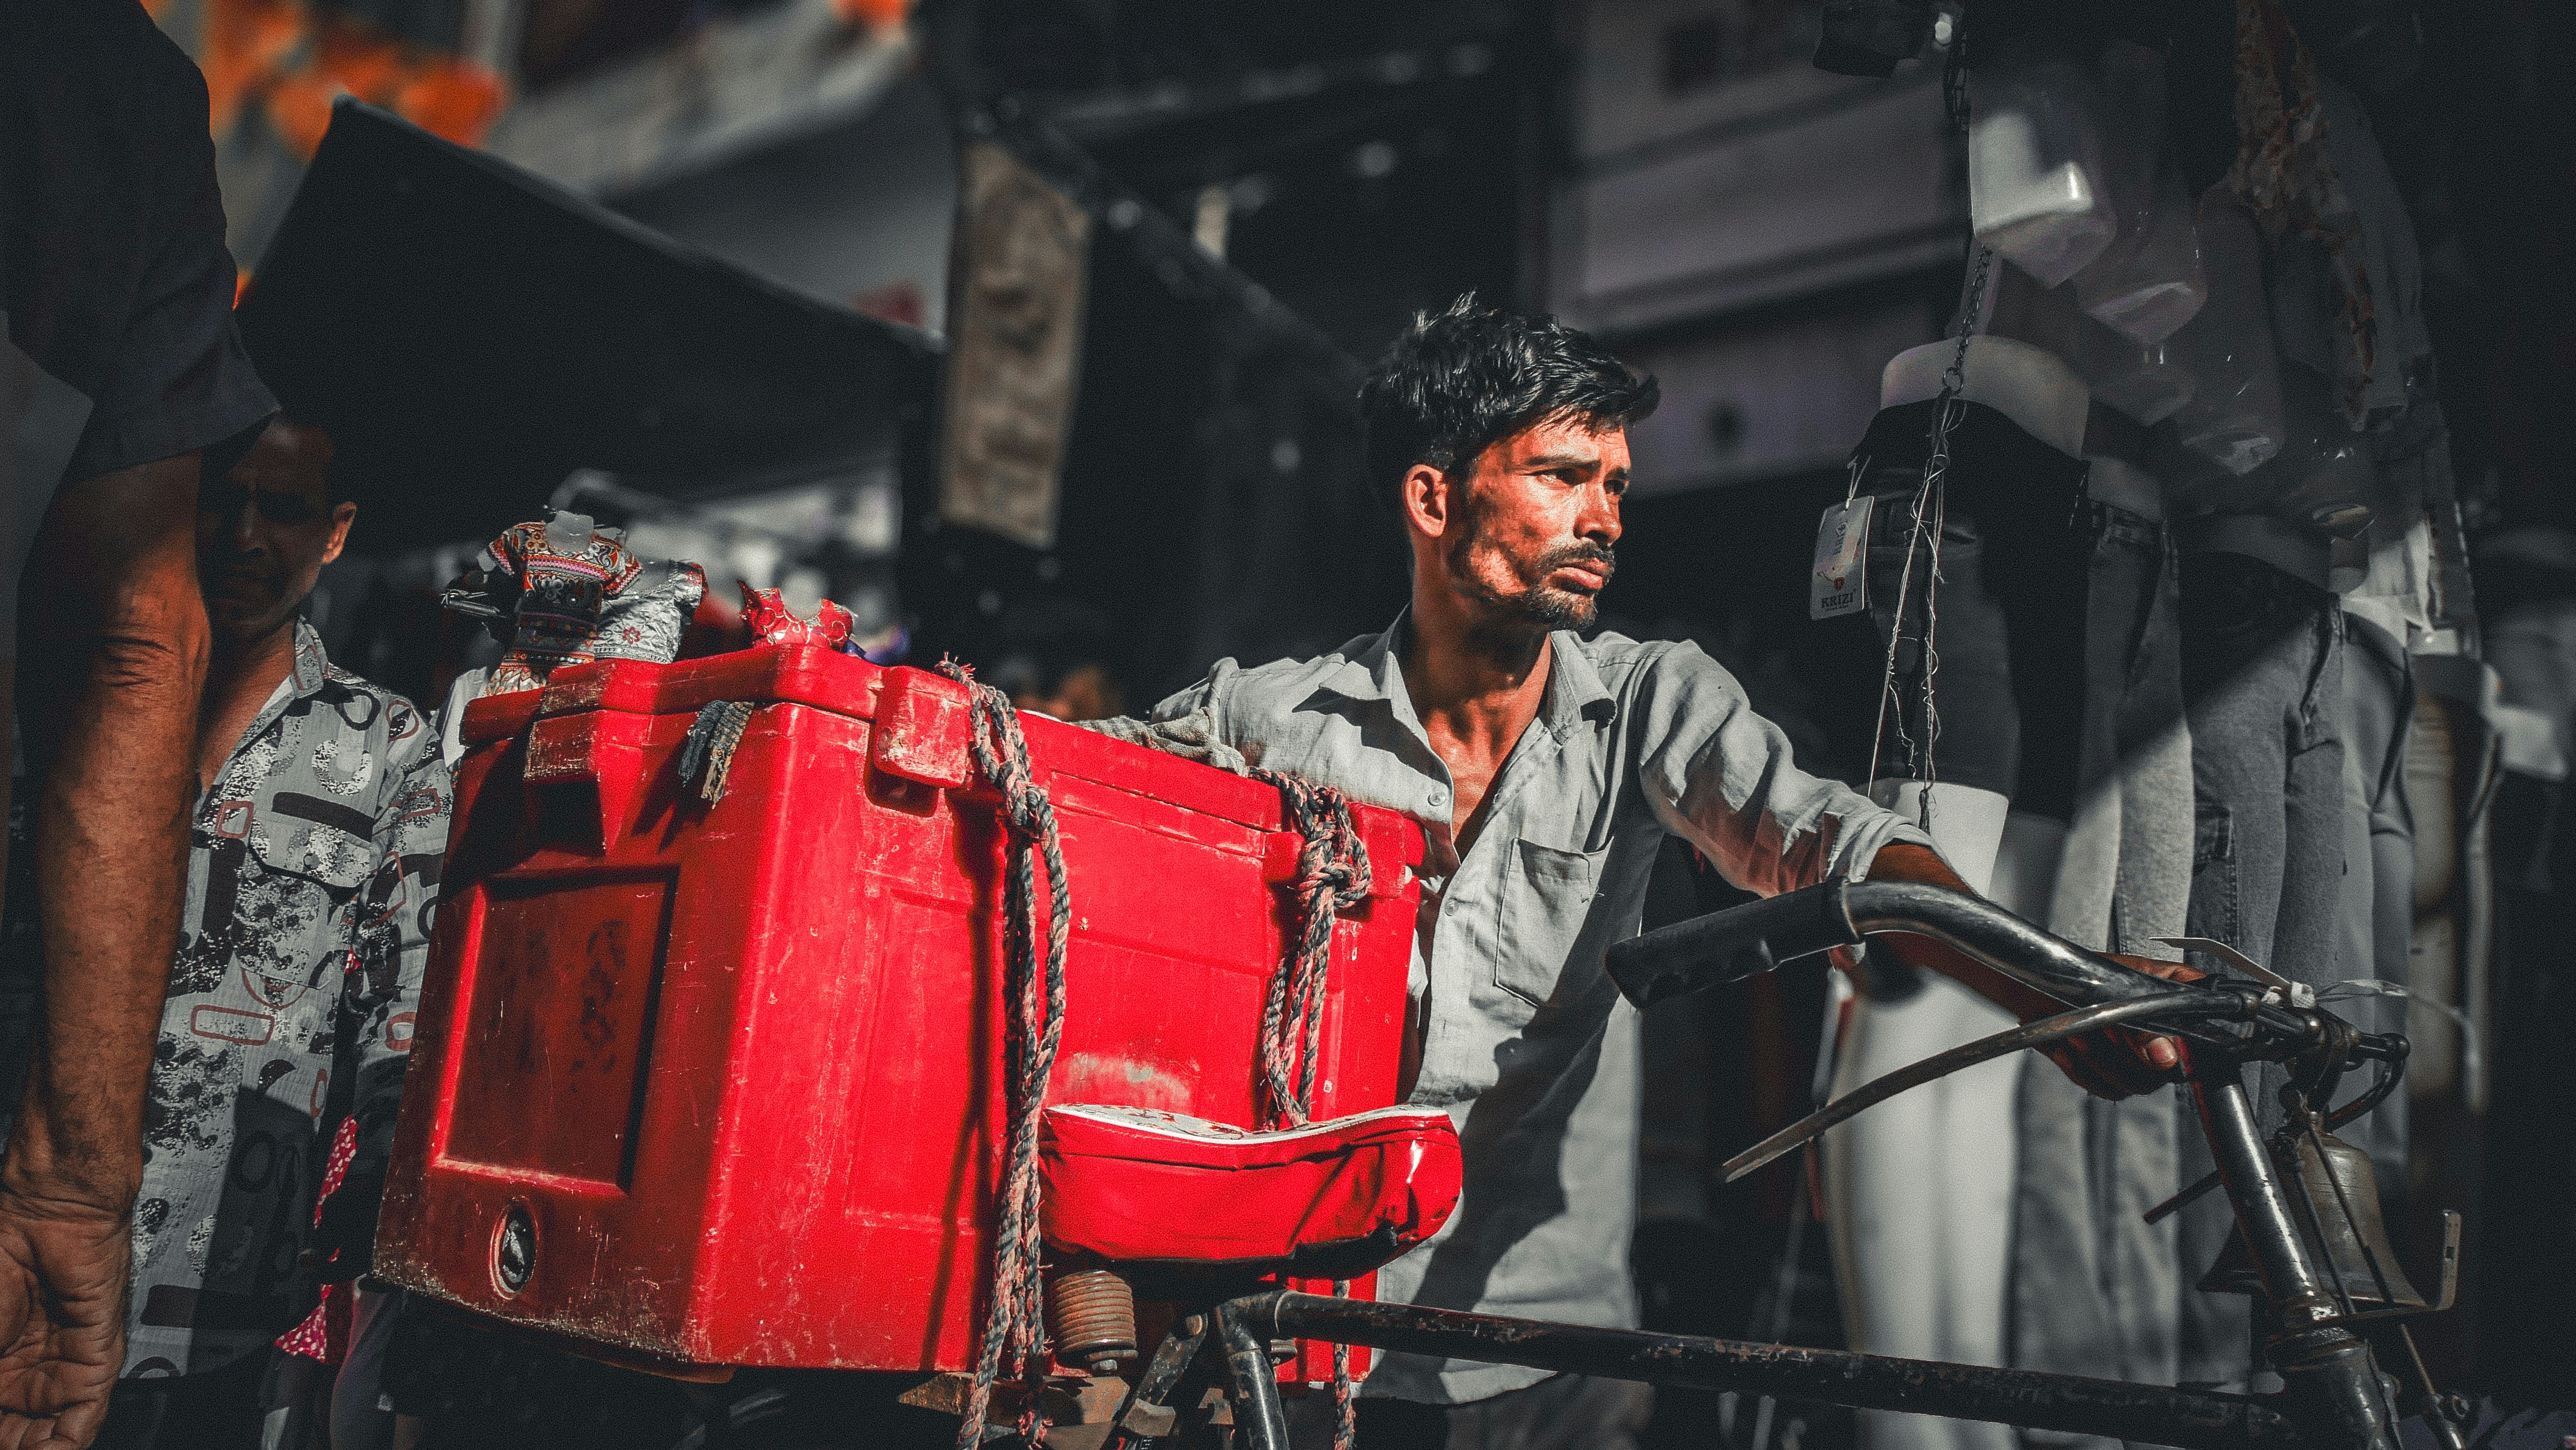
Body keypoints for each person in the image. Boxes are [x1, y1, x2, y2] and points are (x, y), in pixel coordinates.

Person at [1103, 297, 2191, 1450]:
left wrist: (2047, 981)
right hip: (1309, 1348)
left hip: (1551, 1346)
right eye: (1565, 476)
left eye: (1615, 484)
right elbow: (1046, 783)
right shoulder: (1272, 721)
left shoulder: (1645, 703)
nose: (1604, 517)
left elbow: (1826, 837)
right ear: (1433, 498)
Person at [0, 415, 449, 1448]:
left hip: (222, 1300)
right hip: (24, 1262)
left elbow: (406, 1000)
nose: (242, 535)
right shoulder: (61, 690)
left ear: (334, 534)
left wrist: (384, 1170)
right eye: (219, 499)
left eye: (282, 509)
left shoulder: (386, 745)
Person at [1, 1, 281, 1443]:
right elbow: (132, 638)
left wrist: (67, 1179)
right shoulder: (107, 92)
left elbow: (134, 638)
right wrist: (68, 1183)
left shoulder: (107, 94)